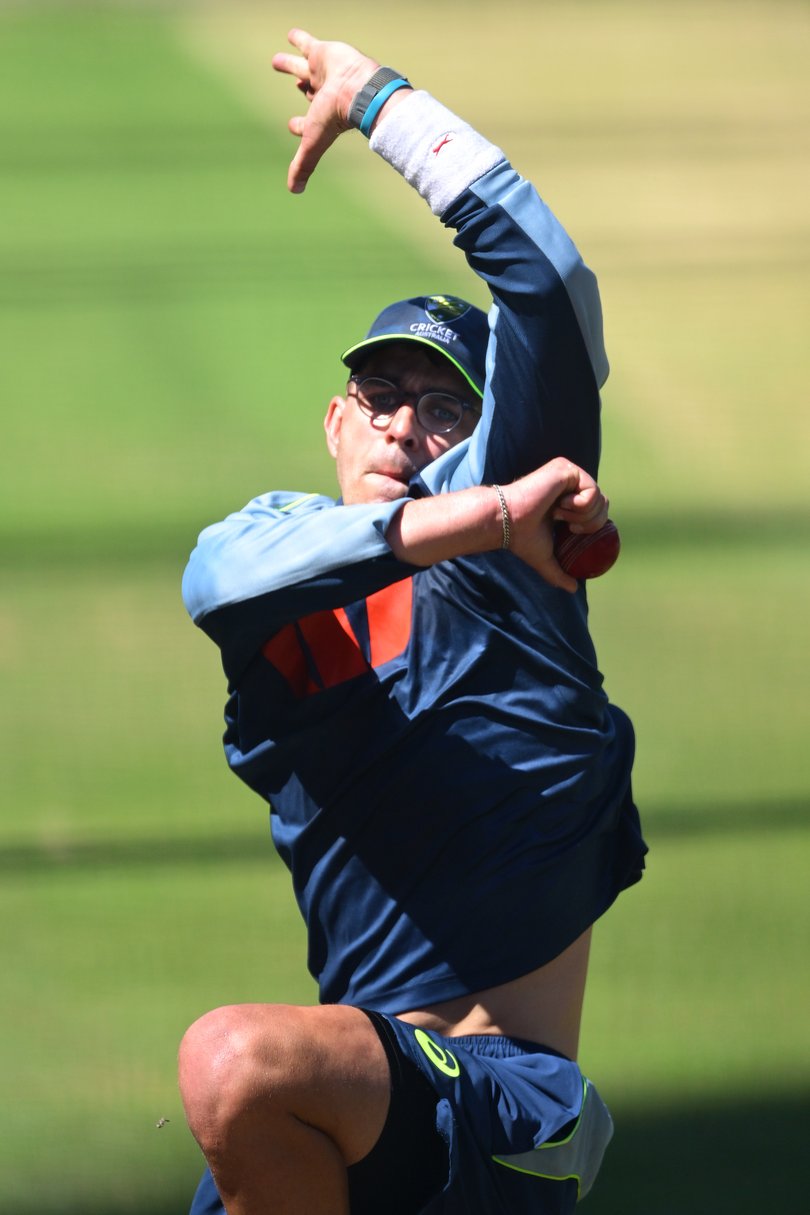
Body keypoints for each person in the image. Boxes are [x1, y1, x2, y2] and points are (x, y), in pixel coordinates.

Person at [178, 28, 647, 1215]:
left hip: (499, 1109)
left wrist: (379, 99)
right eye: (382, 398)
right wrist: (487, 512)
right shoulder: (277, 563)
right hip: (346, 1116)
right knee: (249, 1092)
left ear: (493, 438)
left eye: (444, 408)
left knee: (234, 1064)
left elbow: (547, 283)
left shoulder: (523, 579)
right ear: (337, 421)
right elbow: (222, 578)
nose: (402, 426)